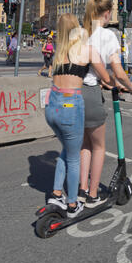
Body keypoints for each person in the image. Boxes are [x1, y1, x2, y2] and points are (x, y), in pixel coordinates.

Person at [45, 13, 112, 218]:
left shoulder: (58, 52)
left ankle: (56, 194)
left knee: (66, 149)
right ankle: (73, 204)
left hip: (52, 107)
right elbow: (105, 76)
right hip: (69, 105)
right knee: (74, 158)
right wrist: (107, 82)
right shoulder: (86, 50)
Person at [79, 0, 132, 208]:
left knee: (84, 145)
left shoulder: (79, 31)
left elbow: (92, 67)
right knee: (98, 147)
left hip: (73, 93)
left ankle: (82, 189)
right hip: (90, 93)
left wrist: (107, 82)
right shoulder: (108, 36)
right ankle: (93, 196)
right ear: (107, 13)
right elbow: (119, 72)